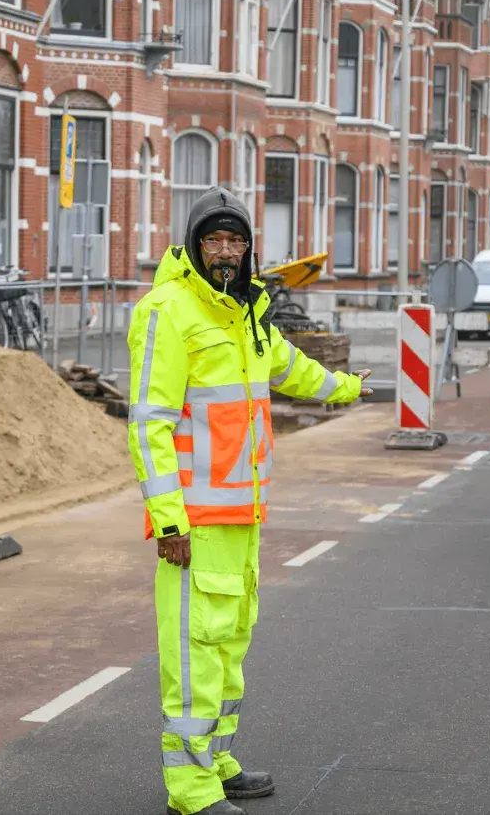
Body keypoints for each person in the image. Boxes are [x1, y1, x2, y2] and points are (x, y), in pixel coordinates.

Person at [126, 187, 372, 815]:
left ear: (248, 248)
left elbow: (288, 368)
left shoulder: (247, 312)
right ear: (193, 244)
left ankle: (218, 761)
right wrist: (168, 519)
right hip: (197, 520)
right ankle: (191, 788)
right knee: (194, 653)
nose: (225, 252)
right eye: (214, 240)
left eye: (235, 241)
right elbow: (148, 424)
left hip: (244, 513)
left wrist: (344, 389)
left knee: (230, 644)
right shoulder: (168, 310)